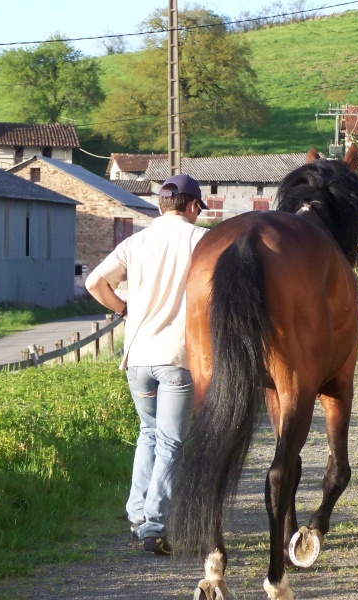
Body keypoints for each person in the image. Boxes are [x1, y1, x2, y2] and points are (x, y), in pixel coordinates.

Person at [85, 174, 208, 556]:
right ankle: (154, 526)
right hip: (176, 358)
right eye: (198, 208)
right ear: (191, 206)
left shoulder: (135, 242)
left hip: (137, 356)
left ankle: (137, 514)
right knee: (171, 441)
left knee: (148, 433)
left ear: (160, 206)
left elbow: (94, 283)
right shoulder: (200, 241)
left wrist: (125, 310)